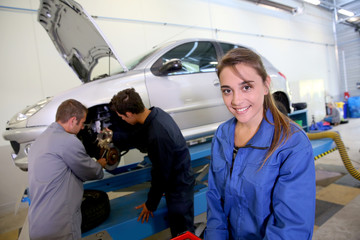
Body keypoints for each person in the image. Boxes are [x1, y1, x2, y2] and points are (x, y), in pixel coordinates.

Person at [205, 48, 316, 239]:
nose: (236, 100)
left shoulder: (292, 143)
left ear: (265, 85)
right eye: (227, 91)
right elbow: (215, 201)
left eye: (246, 87)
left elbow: (291, 228)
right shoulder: (223, 135)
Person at [109, 88, 195, 237]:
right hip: (175, 174)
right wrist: (114, 136)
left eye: (122, 117)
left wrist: (150, 204)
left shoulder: (158, 135)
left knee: (182, 231)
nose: (122, 119)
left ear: (129, 114)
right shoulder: (155, 114)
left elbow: (160, 175)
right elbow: (137, 135)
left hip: (178, 185)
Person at [28, 99, 107, 240]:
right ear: (72, 121)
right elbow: (92, 172)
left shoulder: (39, 140)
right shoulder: (68, 141)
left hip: (36, 224)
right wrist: (100, 163)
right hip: (59, 226)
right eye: (82, 123)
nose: (83, 128)